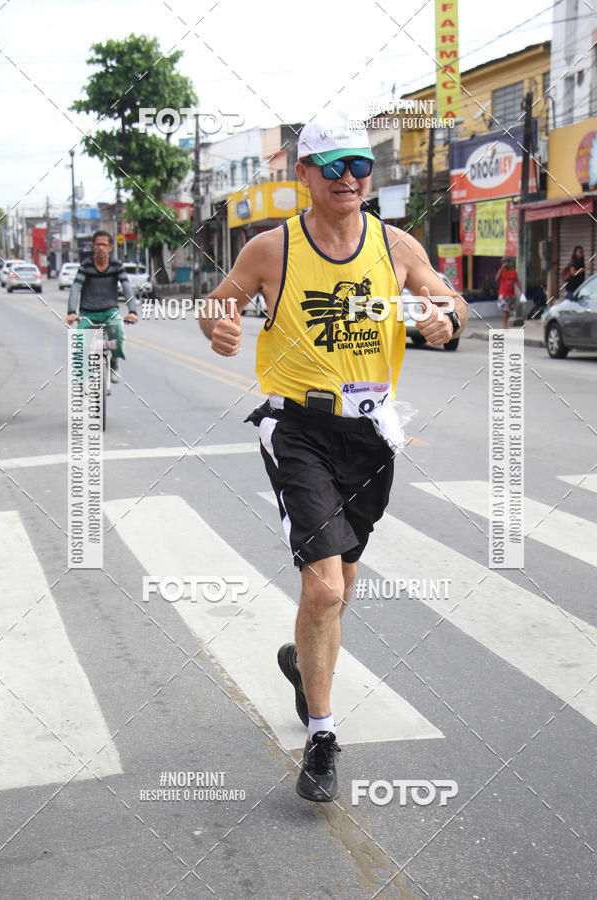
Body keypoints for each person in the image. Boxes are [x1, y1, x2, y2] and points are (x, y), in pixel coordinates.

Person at [200, 112, 467, 803]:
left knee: (338, 591)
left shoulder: (396, 244)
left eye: (359, 166)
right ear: (304, 176)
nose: (349, 178)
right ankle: (322, 736)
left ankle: (300, 662)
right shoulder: (271, 250)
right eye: (333, 166)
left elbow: (447, 298)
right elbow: (218, 303)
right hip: (297, 428)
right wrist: (220, 323)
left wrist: (446, 317)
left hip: (373, 435)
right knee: (322, 589)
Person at [66, 231, 138, 380]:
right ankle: (81, 379)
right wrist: (72, 311)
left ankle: (114, 362)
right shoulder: (86, 266)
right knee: (80, 344)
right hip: (88, 313)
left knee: (117, 333)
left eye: (104, 245)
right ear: (93, 246)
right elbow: (75, 288)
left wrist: (132, 311)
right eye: (98, 244)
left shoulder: (116, 265)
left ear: (110, 247)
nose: (101, 248)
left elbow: (126, 287)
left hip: (109, 311)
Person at [495, 257, 521, 329]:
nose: (506, 264)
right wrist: (501, 268)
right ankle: (505, 324)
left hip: (511, 294)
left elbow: (517, 281)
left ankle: (506, 324)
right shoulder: (501, 271)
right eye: (504, 262)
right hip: (503, 294)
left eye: (507, 262)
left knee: (508, 310)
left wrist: (521, 291)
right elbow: (496, 279)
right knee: (505, 310)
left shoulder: (513, 271)